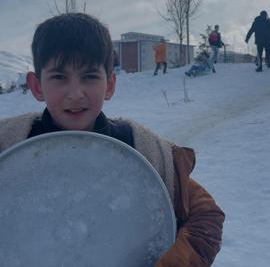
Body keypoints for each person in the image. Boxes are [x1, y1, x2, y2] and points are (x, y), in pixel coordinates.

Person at [0, 13, 225, 267]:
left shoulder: (141, 150)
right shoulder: (11, 148)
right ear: (37, 85)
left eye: (89, 76)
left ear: (110, 84)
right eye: (60, 77)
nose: (75, 94)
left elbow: (206, 217)